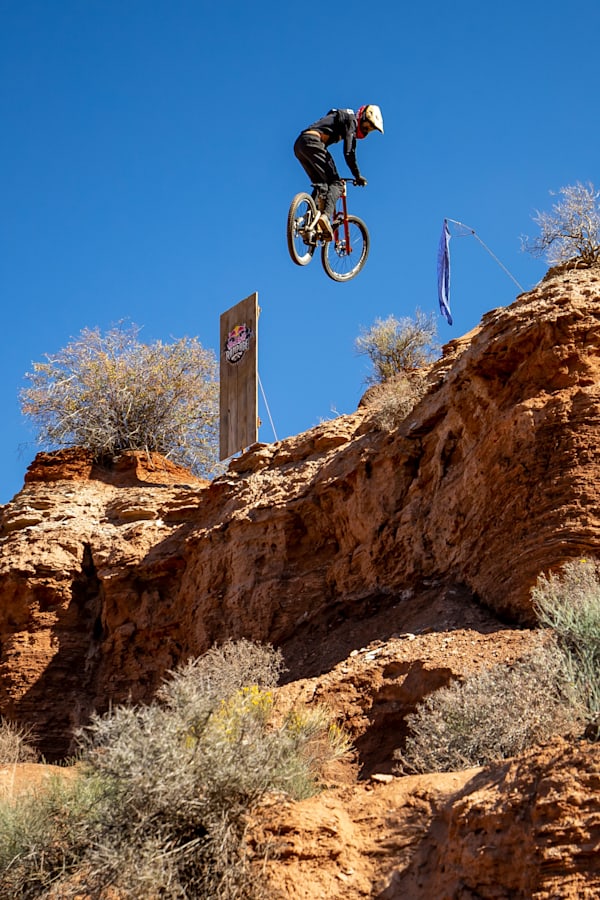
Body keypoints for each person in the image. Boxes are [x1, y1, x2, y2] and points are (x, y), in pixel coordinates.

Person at [293, 105, 384, 239]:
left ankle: (309, 226)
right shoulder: (351, 120)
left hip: (300, 145)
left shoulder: (343, 117)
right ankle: (325, 217)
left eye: (369, 130)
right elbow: (349, 152)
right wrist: (357, 176)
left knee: (322, 185)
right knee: (336, 183)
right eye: (366, 127)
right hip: (312, 142)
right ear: (362, 116)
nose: (366, 131)